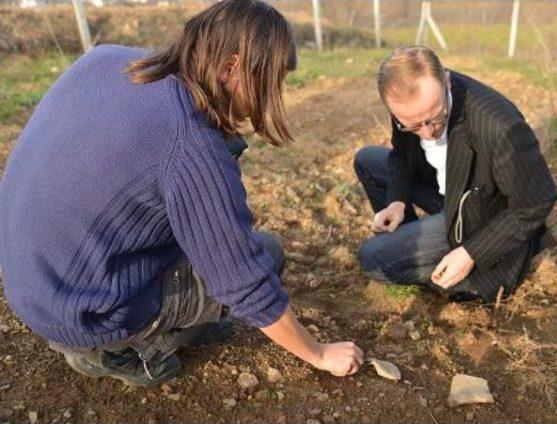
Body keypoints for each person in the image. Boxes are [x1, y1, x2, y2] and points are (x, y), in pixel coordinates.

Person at [0, 0, 362, 387]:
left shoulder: (107, 60)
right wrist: (319, 353)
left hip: (27, 279)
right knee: (267, 254)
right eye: (270, 82)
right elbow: (245, 281)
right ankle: (121, 349)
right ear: (231, 68)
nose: (272, 96)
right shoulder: (190, 143)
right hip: (84, 311)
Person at [354, 46, 557, 303]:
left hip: (482, 218)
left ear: (447, 81)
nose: (428, 132)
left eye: (435, 117)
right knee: (367, 160)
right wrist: (397, 202)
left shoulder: (499, 126)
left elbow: (537, 201)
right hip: (450, 194)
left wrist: (471, 253)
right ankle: (416, 244)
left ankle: (468, 277)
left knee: (371, 258)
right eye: (413, 125)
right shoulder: (408, 102)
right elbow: (401, 155)